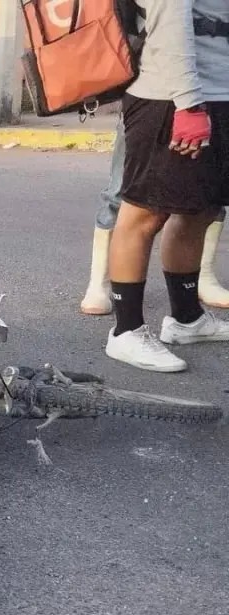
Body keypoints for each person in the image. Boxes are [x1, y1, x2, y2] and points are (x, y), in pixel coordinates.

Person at [102, 0, 229, 372]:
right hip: (171, 97)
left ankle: (186, 320)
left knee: (201, 210)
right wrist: (189, 105)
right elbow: (171, 21)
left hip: (219, 93)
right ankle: (126, 331)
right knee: (144, 212)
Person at [80, 119, 227, 315]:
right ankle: (100, 283)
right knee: (124, 189)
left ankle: (202, 277)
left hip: (212, 98)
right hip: (150, 99)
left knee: (210, 190)